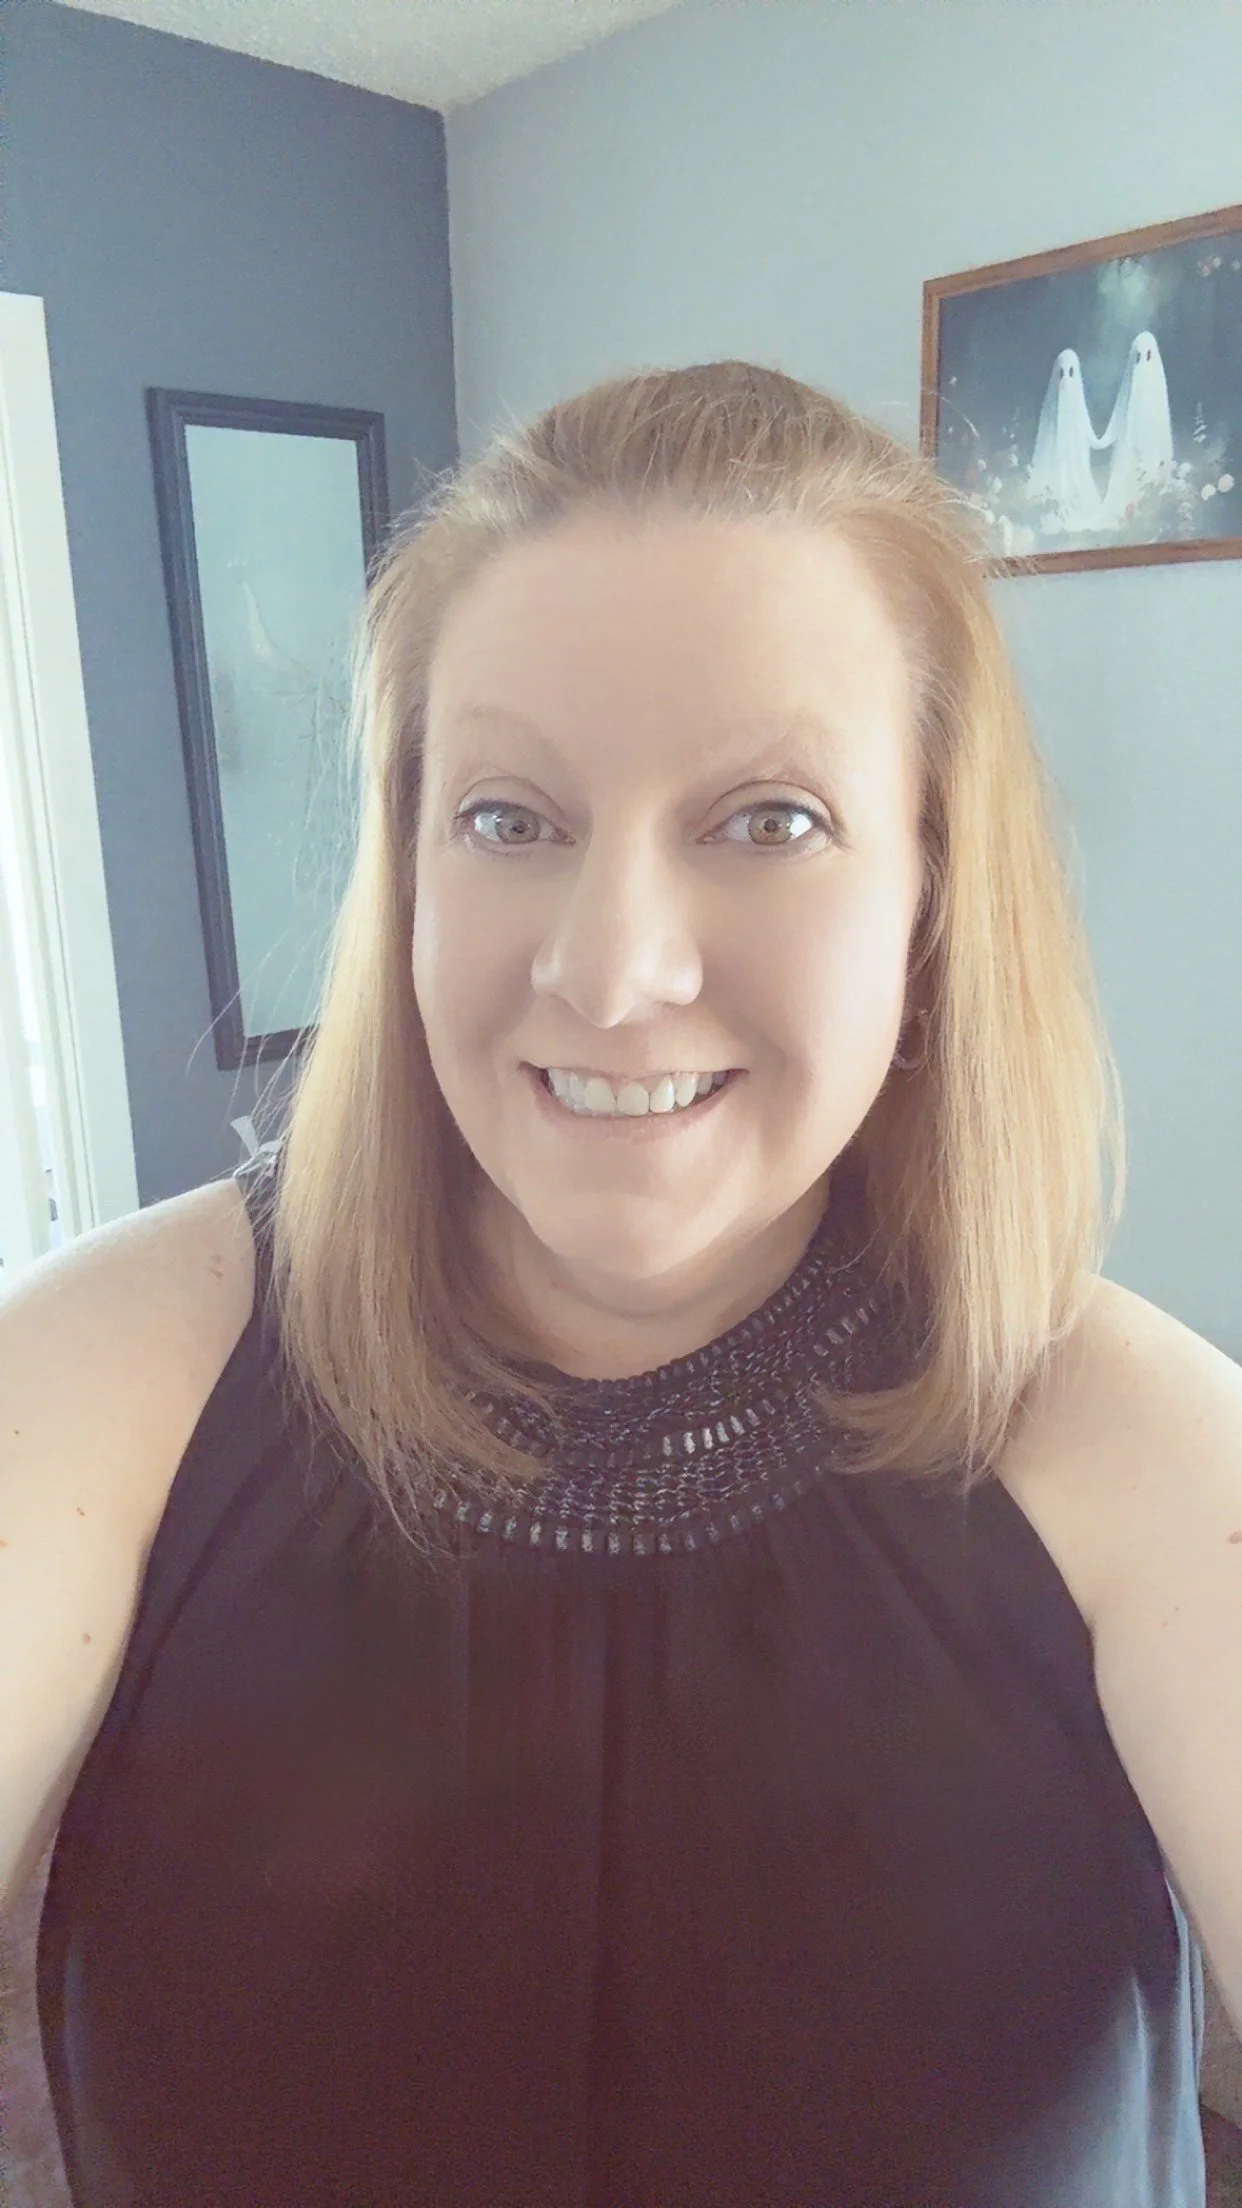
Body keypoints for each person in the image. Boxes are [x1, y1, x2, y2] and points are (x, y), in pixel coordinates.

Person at [2, 360, 1239, 2207]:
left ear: (929, 886)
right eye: (510, 817)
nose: (608, 971)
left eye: (768, 820)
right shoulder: (111, 1374)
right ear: (407, 867)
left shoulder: (1134, 1453)